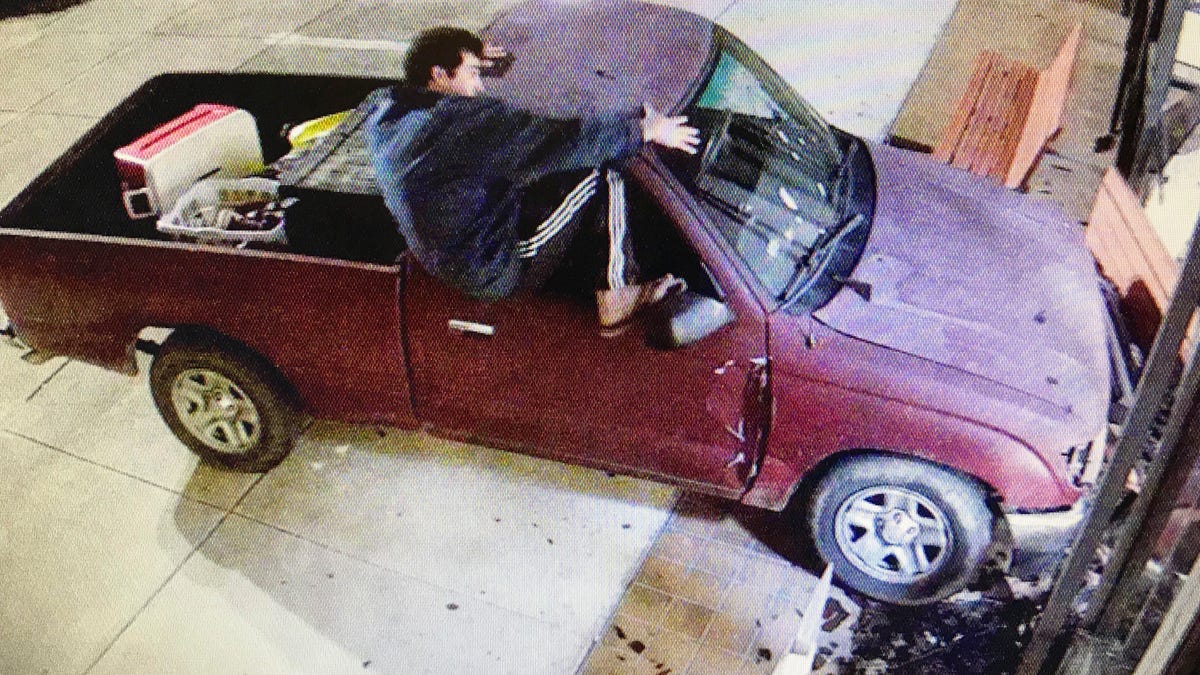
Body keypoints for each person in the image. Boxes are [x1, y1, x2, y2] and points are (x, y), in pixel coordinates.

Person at [366, 26, 701, 334]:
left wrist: (467, 51)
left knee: (548, 169)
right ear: (437, 74)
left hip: (448, 247)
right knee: (603, 171)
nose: (479, 85)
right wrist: (646, 130)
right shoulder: (455, 125)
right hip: (492, 263)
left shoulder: (390, 117)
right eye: (472, 73)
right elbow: (560, 140)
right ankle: (618, 295)